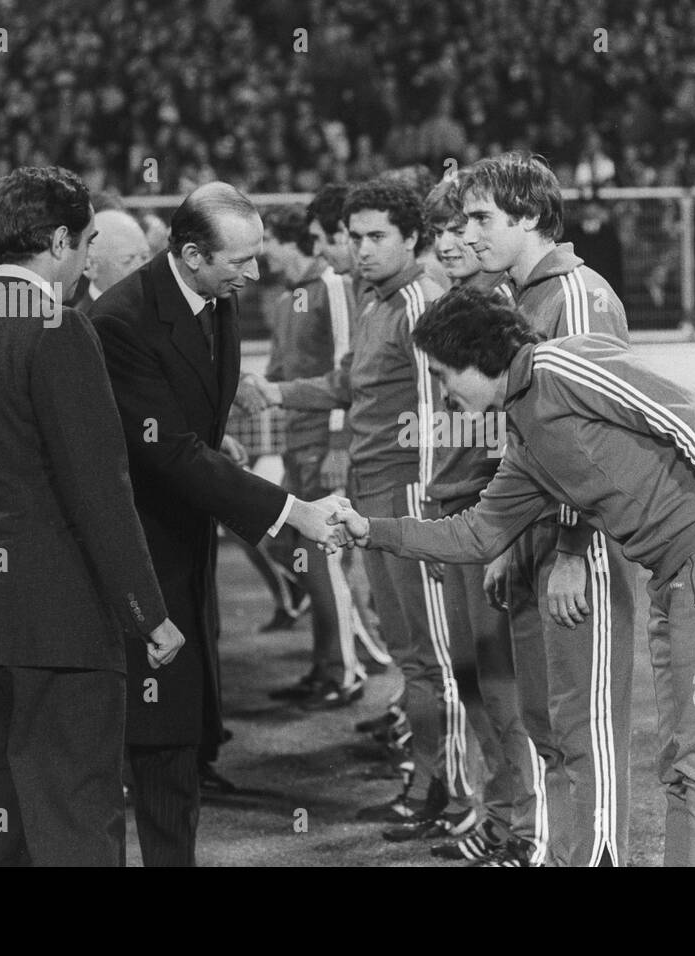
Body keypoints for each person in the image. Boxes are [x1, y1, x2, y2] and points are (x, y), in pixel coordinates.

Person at [330, 287, 695, 867]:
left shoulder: (562, 363)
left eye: (445, 373)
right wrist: (368, 530)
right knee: (682, 764)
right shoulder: (524, 438)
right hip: (672, 577)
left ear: (479, 356)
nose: (444, 392)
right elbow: (476, 534)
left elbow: (690, 416)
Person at [0, 167, 187, 866]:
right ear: (58, 241)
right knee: (75, 822)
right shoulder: (57, 329)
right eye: (87, 240)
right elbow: (99, 488)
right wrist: (147, 610)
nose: (89, 258)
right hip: (55, 626)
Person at [89, 181, 347, 866]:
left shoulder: (214, 296)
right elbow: (165, 449)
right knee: (155, 738)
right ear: (193, 253)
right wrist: (291, 511)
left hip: (186, 538)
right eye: (240, 259)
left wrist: (214, 440)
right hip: (145, 551)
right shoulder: (122, 319)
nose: (254, 273)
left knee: (179, 730)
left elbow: (186, 426)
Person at [241, 180, 472, 834]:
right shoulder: (378, 301)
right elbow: (348, 385)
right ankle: (430, 784)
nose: (361, 249)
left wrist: (432, 528)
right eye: (356, 236)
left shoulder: (422, 302)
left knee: (433, 655)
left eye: (377, 237)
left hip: (407, 499)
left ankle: (452, 796)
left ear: (411, 239)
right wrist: (279, 394)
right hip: (377, 496)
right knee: (409, 651)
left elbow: (438, 419)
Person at [456, 152, 639, 866]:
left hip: (579, 546)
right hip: (534, 540)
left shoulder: (580, 296)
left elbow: (598, 438)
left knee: (583, 728)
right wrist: (504, 540)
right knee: (548, 725)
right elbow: (526, 440)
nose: (468, 234)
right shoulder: (520, 297)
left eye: (481, 218)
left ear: (528, 217)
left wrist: (569, 550)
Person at [386, 177, 544, 863]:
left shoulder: (502, 314)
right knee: (473, 677)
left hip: (491, 516)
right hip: (453, 508)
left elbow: (525, 430)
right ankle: (498, 812)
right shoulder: (456, 307)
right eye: (439, 233)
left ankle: (531, 828)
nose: (449, 243)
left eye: (461, 228)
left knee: (503, 684)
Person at [259, 203, 366, 709]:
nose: (261, 255)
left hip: (326, 444)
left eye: (268, 243)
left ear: (289, 239)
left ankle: (346, 669)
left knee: (323, 560)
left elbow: (348, 372)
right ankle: (326, 663)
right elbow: (283, 372)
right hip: (297, 443)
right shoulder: (287, 299)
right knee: (296, 550)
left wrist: (339, 445)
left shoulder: (334, 288)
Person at [71, 208, 151, 312]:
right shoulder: (78, 325)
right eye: (127, 260)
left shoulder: (162, 315)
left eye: (145, 257)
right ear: (91, 265)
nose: (141, 268)